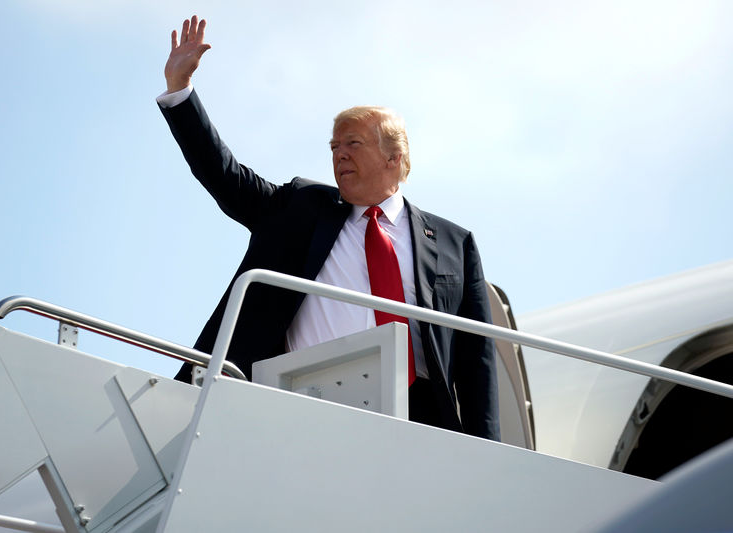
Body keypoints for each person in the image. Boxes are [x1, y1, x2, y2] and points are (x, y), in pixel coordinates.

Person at [158, 16, 499, 441]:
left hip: (423, 415)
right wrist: (180, 92)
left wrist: (489, 452)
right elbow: (226, 177)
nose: (339, 154)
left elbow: (476, 361)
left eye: (353, 143)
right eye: (334, 146)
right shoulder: (301, 206)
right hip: (308, 399)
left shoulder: (454, 242)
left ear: (394, 156)